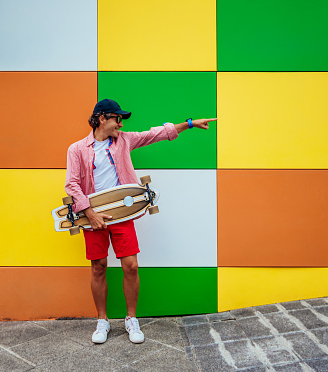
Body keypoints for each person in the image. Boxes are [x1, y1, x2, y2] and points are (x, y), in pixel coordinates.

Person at [65, 98, 217, 344]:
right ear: (102, 118)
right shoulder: (77, 149)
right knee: (98, 267)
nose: (121, 124)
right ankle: (102, 320)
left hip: (121, 215)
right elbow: (72, 184)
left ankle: (131, 319)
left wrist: (189, 124)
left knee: (131, 266)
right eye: (117, 119)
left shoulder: (124, 141)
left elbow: (155, 133)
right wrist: (89, 213)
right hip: (92, 216)